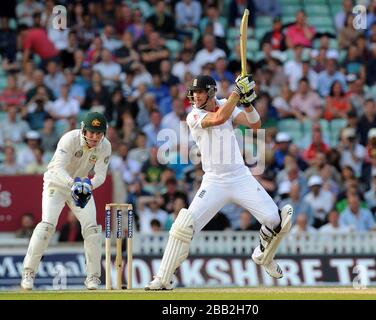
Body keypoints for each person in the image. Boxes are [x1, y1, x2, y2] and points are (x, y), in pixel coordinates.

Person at [145, 74, 293, 290]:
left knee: (276, 219)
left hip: (240, 176)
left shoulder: (225, 104)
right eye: (193, 93)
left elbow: (255, 124)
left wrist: (248, 102)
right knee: (183, 227)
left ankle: (263, 255)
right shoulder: (193, 116)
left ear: (211, 92)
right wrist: (237, 92)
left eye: (200, 92)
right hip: (214, 181)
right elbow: (218, 119)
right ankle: (162, 278)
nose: (196, 97)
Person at [20, 111, 112, 290]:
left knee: (92, 229)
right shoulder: (69, 139)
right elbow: (57, 167)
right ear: (84, 130)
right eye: (91, 132)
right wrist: (74, 184)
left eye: (99, 133)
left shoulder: (105, 146)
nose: (95, 137)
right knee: (47, 226)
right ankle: (28, 272)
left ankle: (93, 277)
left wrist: (88, 186)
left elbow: (101, 175)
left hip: (81, 186)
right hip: (57, 183)